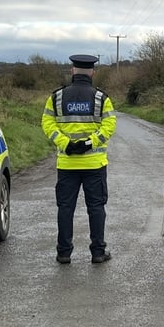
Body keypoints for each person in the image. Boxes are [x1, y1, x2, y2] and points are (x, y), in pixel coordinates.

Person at [41, 54, 117, 264]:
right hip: (94, 164)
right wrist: (90, 143)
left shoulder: (56, 97)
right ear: (92, 72)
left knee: (65, 208)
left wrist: (65, 143)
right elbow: (109, 126)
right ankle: (98, 252)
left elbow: (47, 123)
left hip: (66, 164)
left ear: (72, 71)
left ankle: (64, 253)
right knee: (96, 208)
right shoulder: (102, 98)